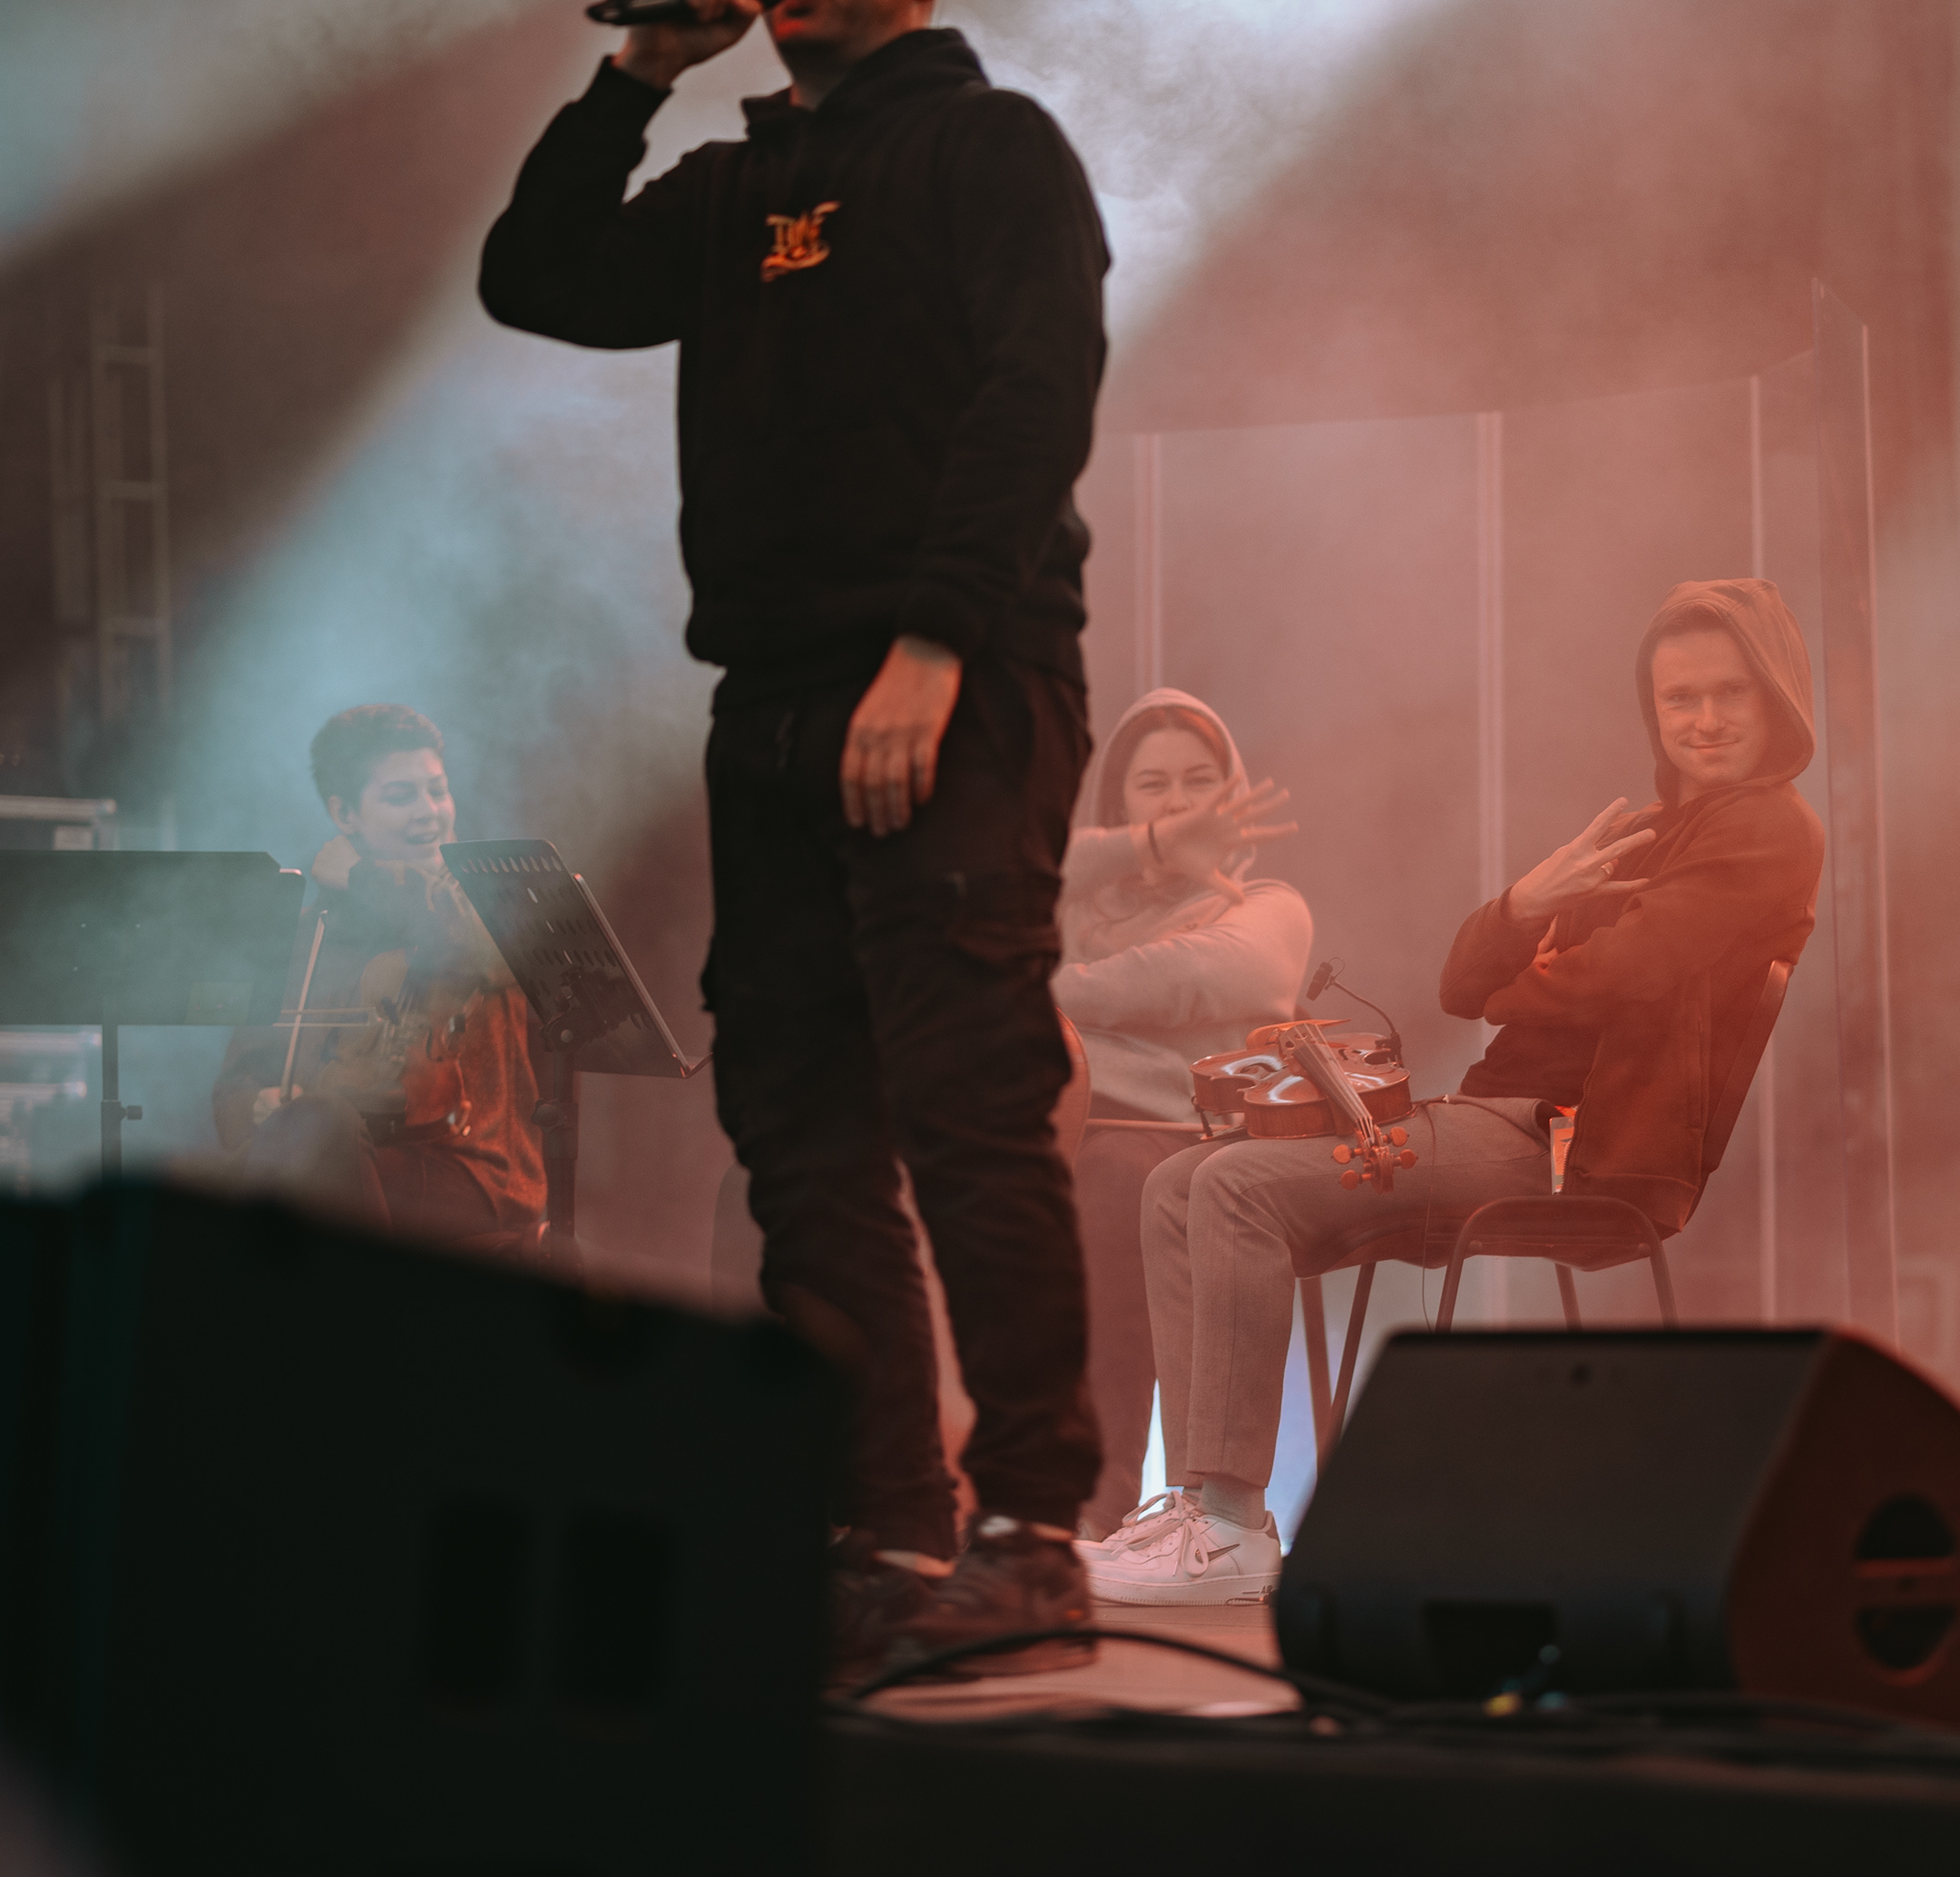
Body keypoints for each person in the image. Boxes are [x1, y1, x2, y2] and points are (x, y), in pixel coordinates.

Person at [478, 0, 1115, 1682]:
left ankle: (1033, 1538)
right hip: (766, 699)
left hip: (949, 680)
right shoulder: (733, 187)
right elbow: (535, 279)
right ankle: (887, 1532)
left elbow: (1039, 391)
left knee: (968, 1101)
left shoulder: (990, 147)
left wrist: (937, 638)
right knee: (800, 1131)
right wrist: (637, 75)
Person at [1083, 581, 1824, 1602]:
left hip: (1573, 1144)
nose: (1702, 719)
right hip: (1497, 1119)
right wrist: (1527, 904)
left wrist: (1534, 979)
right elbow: (1461, 984)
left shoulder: (1772, 828)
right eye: (1678, 698)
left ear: (1776, 694)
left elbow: (1626, 972)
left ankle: (1228, 1526)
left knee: (1235, 1185)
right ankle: (1198, 1508)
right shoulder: (1648, 834)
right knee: (1178, 1182)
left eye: (1728, 692)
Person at [1057, 689, 1308, 1537]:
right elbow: (1012, 871)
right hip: (1043, 1130)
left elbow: (1191, 977)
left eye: (1200, 782)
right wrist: (1148, 848)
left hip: (1176, 1141)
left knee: (1116, 1182)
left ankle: (1100, 1497)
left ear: (1232, 794)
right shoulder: (1066, 907)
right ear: (1118, 807)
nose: (1179, 805)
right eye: (1152, 786)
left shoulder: (1265, 905)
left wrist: (1034, 988)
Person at [211, 705, 548, 1249]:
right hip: (340, 1158)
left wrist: (363, 877)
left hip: (473, 1174)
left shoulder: (483, 909)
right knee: (314, 1142)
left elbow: (468, 947)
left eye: (438, 791)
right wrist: (258, 1105)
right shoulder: (305, 934)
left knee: (313, 1153)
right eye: (401, 796)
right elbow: (237, 1081)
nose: (429, 812)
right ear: (345, 814)